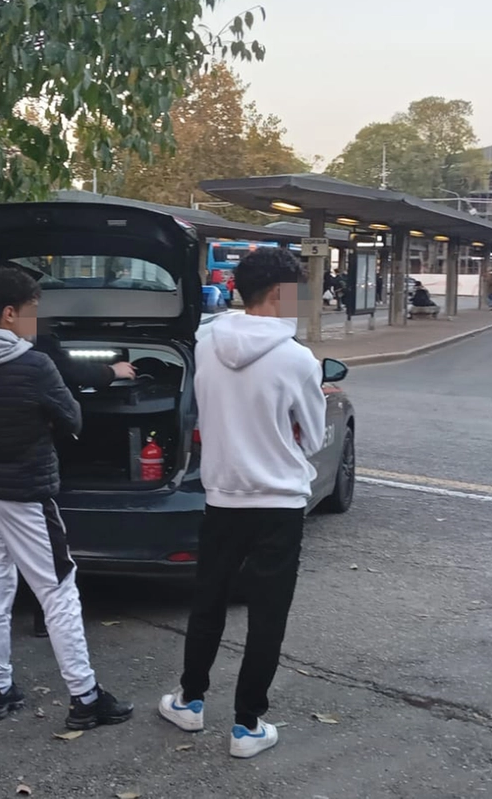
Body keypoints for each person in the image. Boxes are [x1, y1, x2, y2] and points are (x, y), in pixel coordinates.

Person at [158, 247, 327, 759]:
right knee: (266, 615)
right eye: (298, 291)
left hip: (222, 496)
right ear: (278, 294)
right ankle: (247, 725)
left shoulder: (207, 341)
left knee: (208, 602)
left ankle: (189, 701)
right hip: (279, 503)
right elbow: (315, 438)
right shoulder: (298, 359)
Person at [0, 267, 134, 729]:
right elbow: (72, 418)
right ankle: (85, 697)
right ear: (10, 313)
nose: (37, 320)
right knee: (59, 591)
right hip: (27, 494)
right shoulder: (34, 364)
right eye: (33, 311)